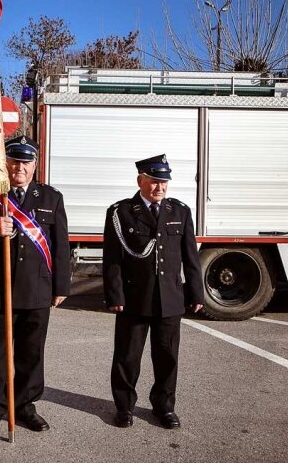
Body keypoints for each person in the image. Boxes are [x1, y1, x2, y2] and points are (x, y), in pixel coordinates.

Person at [0, 135, 71, 437]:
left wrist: (61, 286)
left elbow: (60, 246)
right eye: (14, 160)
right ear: (6, 163)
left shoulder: (51, 198)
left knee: (31, 354)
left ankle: (26, 407)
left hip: (37, 289)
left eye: (25, 161)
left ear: (34, 165)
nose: (19, 166)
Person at [102, 154, 204, 429]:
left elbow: (190, 257)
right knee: (127, 357)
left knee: (167, 357)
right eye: (154, 181)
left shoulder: (179, 212)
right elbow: (112, 260)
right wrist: (115, 296)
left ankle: (164, 407)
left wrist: (196, 293)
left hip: (170, 299)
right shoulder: (120, 212)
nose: (159, 187)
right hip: (134, 299)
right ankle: (124, 408)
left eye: (164, 182)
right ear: (140, 180)